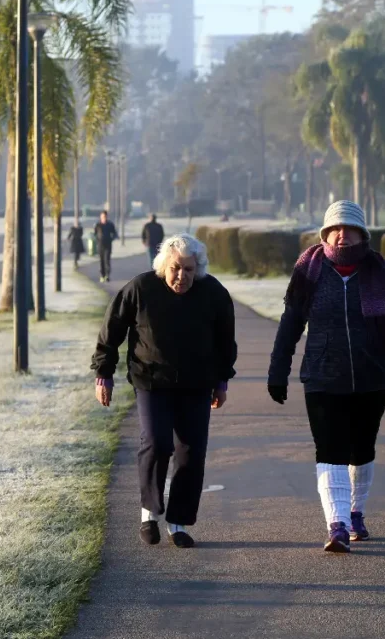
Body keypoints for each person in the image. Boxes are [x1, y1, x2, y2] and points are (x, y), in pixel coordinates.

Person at [267, 200, 385, 554]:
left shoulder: (380, 270)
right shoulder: (309, 270)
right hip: (322, 376)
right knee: (329, 449)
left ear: (362, 234)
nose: (342, 236)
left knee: (361, 448)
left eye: (350, 229)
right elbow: (290, 323)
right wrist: (277, 370)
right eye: (336, 229)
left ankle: (355, 512)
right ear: (326, 234)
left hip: (371, 376)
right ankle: (337, 525)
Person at [92, 234, 237, 549]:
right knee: (157, 443)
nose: (181, 276)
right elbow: (112, 328)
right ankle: (149, 513)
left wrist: (222, 381)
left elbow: (226, 341)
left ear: (197, 269)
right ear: (163, 266)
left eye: (188, 269)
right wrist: (104, 372)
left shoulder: (212, 292)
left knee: (190, 452)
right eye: (175, 268)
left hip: (196, 384)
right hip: (151, 380)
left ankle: (178, 523)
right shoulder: (142, 288)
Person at [94, 210, 118, 282]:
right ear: (100, 217)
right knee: (101, 261)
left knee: (107, 260)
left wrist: (111, 239)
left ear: (107, 217)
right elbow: (95, 234)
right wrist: (97, 239)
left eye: (105, 216)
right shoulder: (98, 225)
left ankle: (107, 275)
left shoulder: (110, 224)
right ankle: (102, 275)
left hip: (108, 245)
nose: (104, 218)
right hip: (100, 245)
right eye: (102, 216)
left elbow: (115, 234)